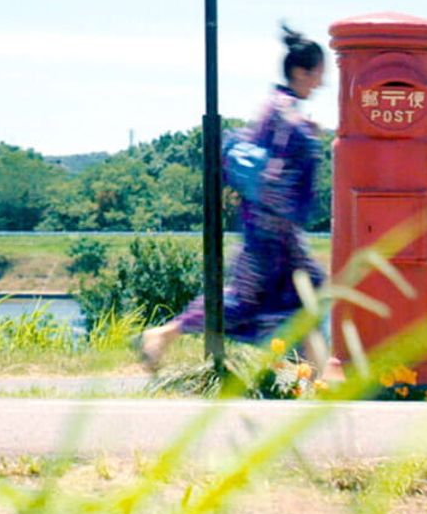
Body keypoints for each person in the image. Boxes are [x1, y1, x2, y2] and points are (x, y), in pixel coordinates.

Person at [138, 25, 327, 370]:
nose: (321, 82)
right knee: (250, 303)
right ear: (301, 71)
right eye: (317, 73)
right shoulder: (289, 117)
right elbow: (278, 173)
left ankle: (315, 376)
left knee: (300, 295)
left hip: (267, 229)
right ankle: (164, 334)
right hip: (272, 235)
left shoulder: (274, 107)